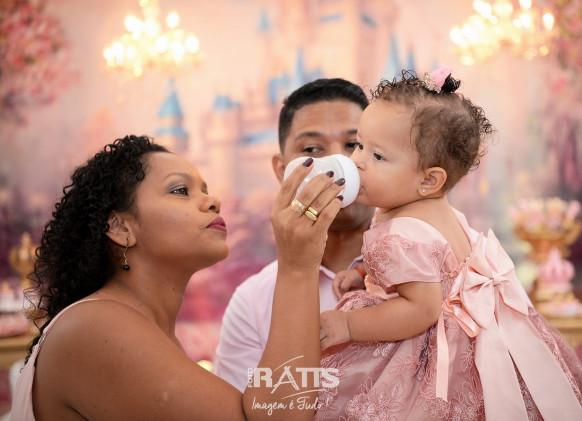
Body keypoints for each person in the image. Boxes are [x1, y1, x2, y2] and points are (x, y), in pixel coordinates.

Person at [11, 135, 346, 420]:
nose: (212, 201)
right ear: (121, 227)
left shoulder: (140, 328)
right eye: (181, 190)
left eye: (205, 189)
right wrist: (298, 266)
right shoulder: (94, 327)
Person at [316, 68, 582, 420]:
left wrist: (349, 326)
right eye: (359, 145)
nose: (357, 162)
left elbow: (421, 310)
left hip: (426, 352)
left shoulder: (399, 233)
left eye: (378, 156)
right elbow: (432, 269)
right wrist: (366, 272)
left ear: (429, 180)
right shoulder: (444, 213)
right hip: (475, 343)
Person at [214, 78, 376, 392]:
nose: (340, 164)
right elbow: (256, 411)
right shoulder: (253, 301)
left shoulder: (431, 262)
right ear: (281, 170)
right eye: (312, 149)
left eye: (354, 145)